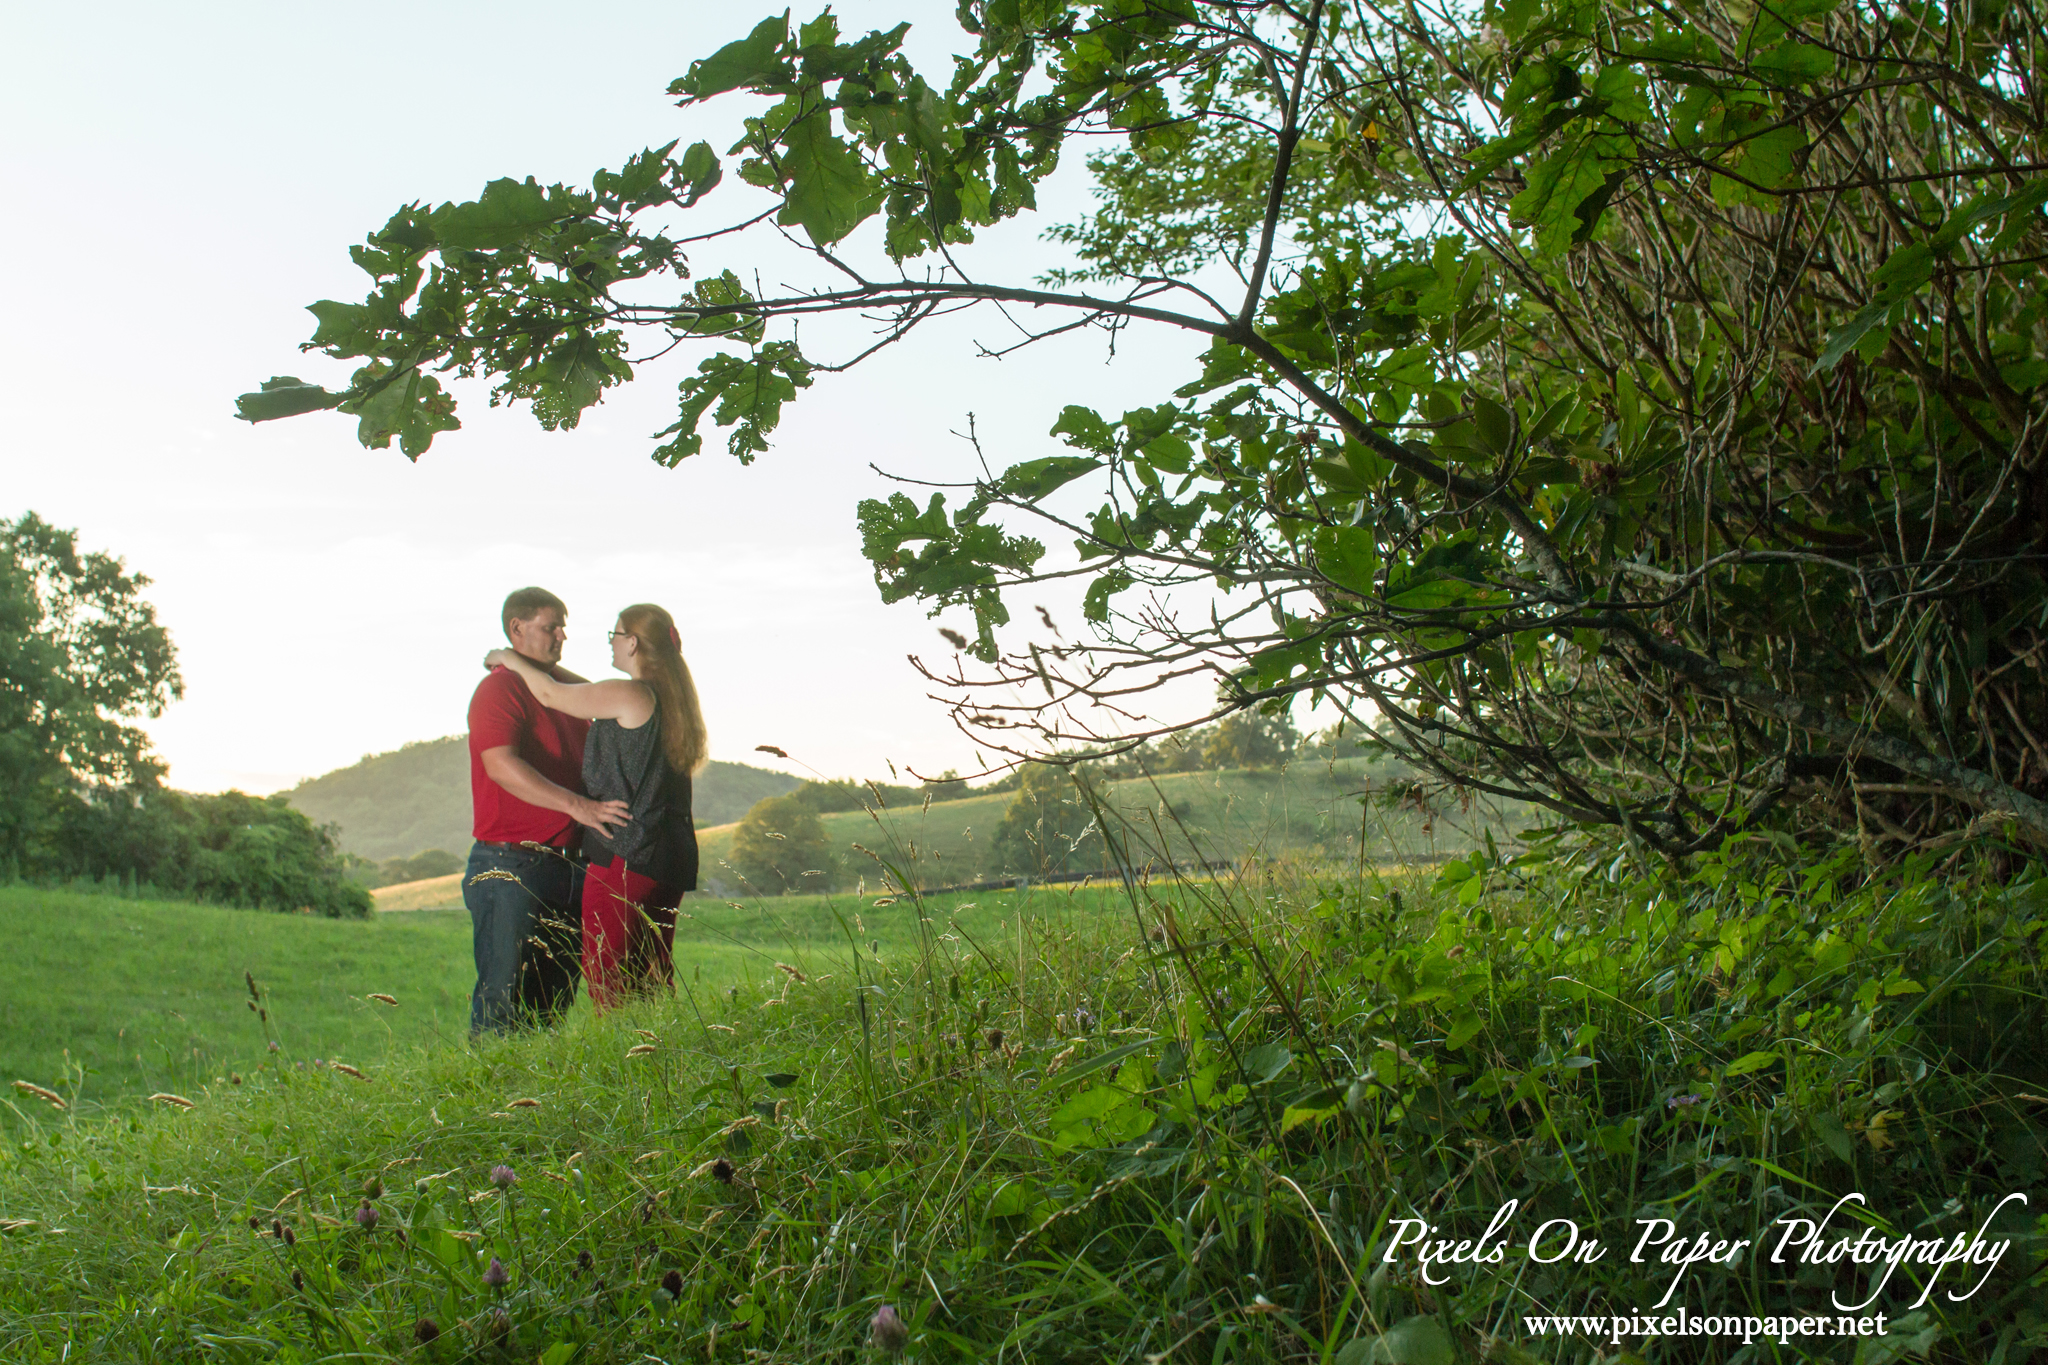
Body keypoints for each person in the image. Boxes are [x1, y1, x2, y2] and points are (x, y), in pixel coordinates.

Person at [484, 602, 704, 1009]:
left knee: (610, 977)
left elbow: (551, 694)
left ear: (633, 643)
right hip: (668, 859)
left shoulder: (629, 693)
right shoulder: (668, 697)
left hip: (627, 855)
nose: (612, 644)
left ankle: (628, 1065)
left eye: (615, 636)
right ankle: (666, 1058)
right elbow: (576, 690)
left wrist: (506, 657)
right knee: (653, 974)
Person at [465, 588, 629, 1035]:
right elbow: (499, 765)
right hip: (513, 864)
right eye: (550, 626)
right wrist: (582, 807)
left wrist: (511, 656)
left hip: (570, 866)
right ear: (517, 628)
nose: (562, 634)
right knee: (505, 1002)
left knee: (552, 1007)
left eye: (563, 625)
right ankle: (489, 1102)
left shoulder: (561, 694)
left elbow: (597, 691)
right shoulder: (498, 689)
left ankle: (537, 1104)